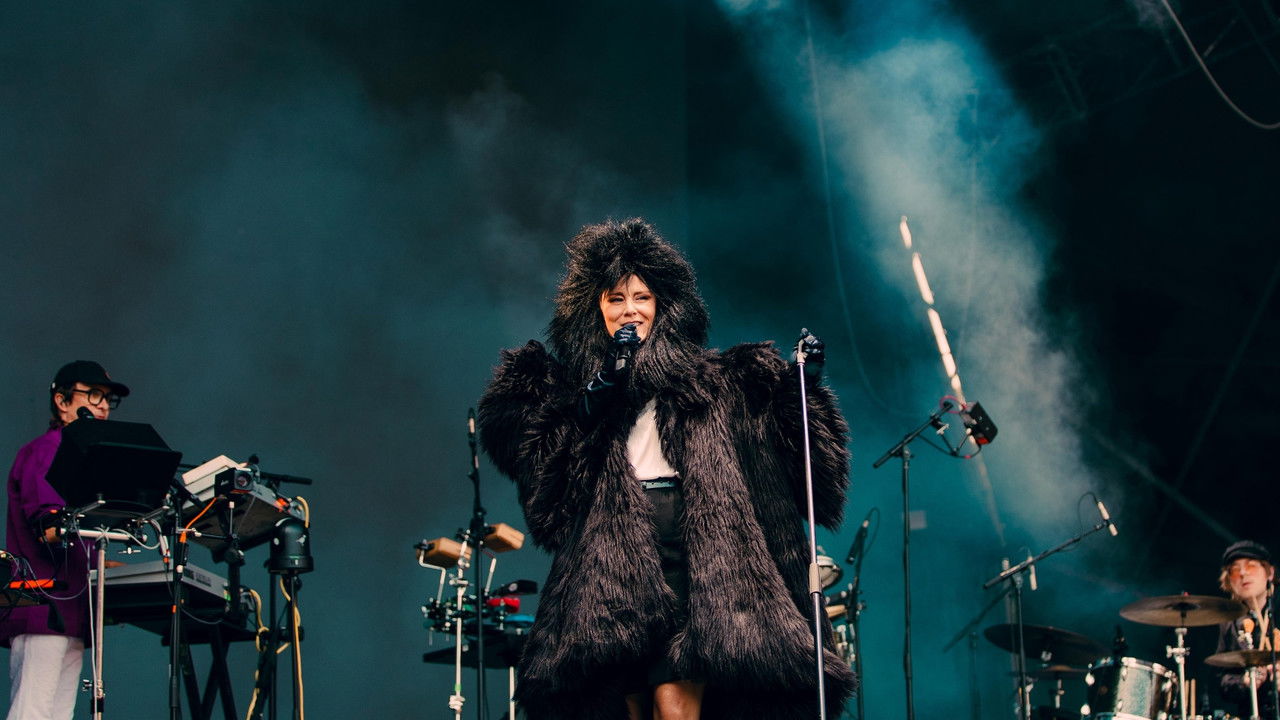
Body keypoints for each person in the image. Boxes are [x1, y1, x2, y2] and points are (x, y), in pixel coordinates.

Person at [478, 218, 853, 720]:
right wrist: (605, 383)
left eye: (642, 297)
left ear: (664, 306)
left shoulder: (714, 382)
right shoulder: (577, 390)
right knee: (625, 703)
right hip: (607, 563)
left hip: (694, 554)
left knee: (676, 703)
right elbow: (541, 471)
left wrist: (803, 385)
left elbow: (797, 460)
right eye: (615, 298)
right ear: (595, 308)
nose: (629, 309)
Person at [1, 361, 130, 720]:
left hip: (69, 610)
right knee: (32, 712)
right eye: (94, 395)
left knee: (55, 715)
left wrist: (100, 563)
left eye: (107, 399)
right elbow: (49, 524)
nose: (103, 405)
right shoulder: (47, 449)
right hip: (44, 604)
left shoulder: (83, 458)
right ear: (62, 400)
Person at [1215, 539, 1278, 718]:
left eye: (1251, 566)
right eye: (1234, 570)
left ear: (1270, 572)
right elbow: (1222, 682)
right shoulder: (1228, 622)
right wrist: (1244, 682)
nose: (1242, 573)